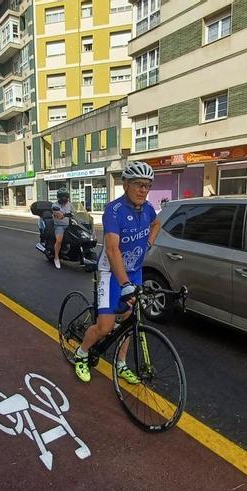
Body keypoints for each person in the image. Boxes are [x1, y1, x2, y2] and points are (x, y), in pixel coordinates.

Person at [72, 161, 160, 384]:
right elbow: (112, 250)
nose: (143, 190)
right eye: (138, 184)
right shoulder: (114, 210)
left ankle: (120, 364)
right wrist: (124, 283)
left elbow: (156, 224)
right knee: (105, 326)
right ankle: (81, 354)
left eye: (147, 185)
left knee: (131, 321)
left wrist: (148, 244)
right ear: (125, 184)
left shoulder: (148, 209)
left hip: (135, 271)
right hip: (111, 273)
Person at [51, 188, 73, 270]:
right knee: (59, 240)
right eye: (62, 196)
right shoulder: (54, 205)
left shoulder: (70, 204)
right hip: (59, 225)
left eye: (65, 196)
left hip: (69, 225)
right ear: (59, 197)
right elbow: (58, 214)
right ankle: (56, 258)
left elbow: (76, 212)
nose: (64, 198)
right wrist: (64, 215)